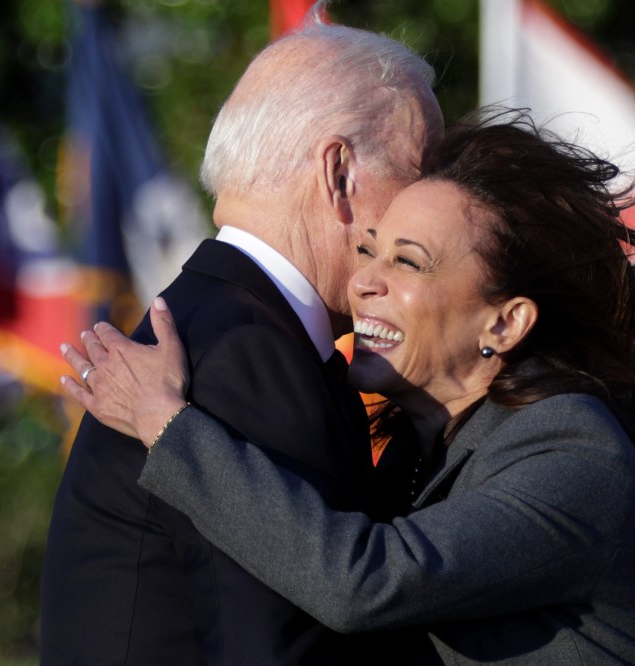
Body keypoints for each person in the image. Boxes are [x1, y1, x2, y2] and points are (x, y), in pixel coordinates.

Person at [63, 112, 635, 664]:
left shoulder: (571, 445)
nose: (364, 283)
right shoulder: (417, 452)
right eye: (370, 251)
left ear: (505, 322)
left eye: (408, 262)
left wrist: (167, 425)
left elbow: (364, 580)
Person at [40, 11, 443, 665]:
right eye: (420, 175)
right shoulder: (245, 353)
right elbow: (281, 646)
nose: (432, 211)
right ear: (338, 174)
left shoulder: (237, 327)